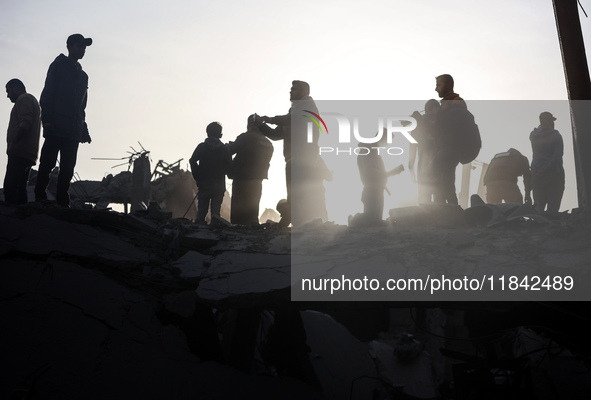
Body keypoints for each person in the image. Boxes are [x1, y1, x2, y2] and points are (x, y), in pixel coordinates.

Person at [35, 33, 93, 207]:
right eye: (79, 46)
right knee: (47, 162)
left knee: (68, 167)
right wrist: (47, 120)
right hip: (56, 125)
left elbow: (82, 107)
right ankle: (39, 196)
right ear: (69, 46)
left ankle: (62, 201)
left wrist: (83, 128)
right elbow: (47, 94)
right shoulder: (58, 66)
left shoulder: (83, 76)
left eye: (84, 47)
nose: (82, 50)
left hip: (73, 130)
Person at [260, 80, 327, 225]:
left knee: (301, 194)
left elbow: (293, 119)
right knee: (293, 194)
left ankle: (305, 225)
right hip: (291, 159)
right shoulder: (293, 111)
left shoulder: (308, 106)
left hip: (304, 159)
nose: (290, 91)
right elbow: (276, 134)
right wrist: (260, 126)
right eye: (291, 89)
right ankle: (295, 223)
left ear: (304, 91)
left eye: (294, 89)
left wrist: (270, 119)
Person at [227, 114, 274, 225]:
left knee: (238, 209)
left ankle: (237, 229)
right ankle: (252, 227)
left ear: (249, 124)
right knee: (253, 208)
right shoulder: (268, 144)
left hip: (242, 178)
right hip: (258, 180)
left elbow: (230, 150)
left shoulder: (244, 137)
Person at [431, 74, 467, 205]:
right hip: (445, 148)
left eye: (438, 85)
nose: (436, 89)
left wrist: (438, 115)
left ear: (447, 85)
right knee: (445, 180)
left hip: (451, 149)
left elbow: (455, 124)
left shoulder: (457, 102)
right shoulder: (446, 104)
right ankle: (445, 207)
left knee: (439, 175)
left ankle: (446, 208)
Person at [4, 79, 41, 205]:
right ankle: (23, 217)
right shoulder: (31, 100)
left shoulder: (24, 99)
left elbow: (25, 122)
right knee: (20, 189)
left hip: (20, 151)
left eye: (8, 91)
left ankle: (12, 219)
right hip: (27, 153)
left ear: (16, 88)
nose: (8, 95)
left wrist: (14, 143)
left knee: (10, 186)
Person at [189, 121, 232, 225]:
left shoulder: (202, 147)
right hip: (219, 186)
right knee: (216, 215)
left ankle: (198, 233)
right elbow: (230, 169)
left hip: (204, 184)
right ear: (221, 135)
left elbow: (192, 161)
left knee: (201, 212)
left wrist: (198, 177)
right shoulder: (225, 149)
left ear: (207, 133)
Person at [357, 133, 404, 225]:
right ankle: (353, 220)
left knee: (376, 222)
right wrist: (391, 172)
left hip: (378, 191)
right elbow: (369, 171)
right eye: (387, 141)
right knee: (369, 220)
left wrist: (390, 173)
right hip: (371, 191)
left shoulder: (375, 153)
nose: (387, 144)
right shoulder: (366, 151)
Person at [530, 112, 564, 213]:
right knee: (553, 208)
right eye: (552, 121)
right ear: (548, 121)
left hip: (536, 174)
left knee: (538, 207)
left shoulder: (533, 135)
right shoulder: (556, 135)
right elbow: (557, 156)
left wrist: (539, 171)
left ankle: (536, 227)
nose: (553, 123)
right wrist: (545, 170)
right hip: (553, 174)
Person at [409, 99, 440, 203]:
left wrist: (411, 167)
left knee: (424, 200)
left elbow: (412, 147)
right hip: (439, 166)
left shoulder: (418, 123)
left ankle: (424, 218)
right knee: (439, 199)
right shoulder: (442, 123)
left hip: (422, 167)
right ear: (436, 109)